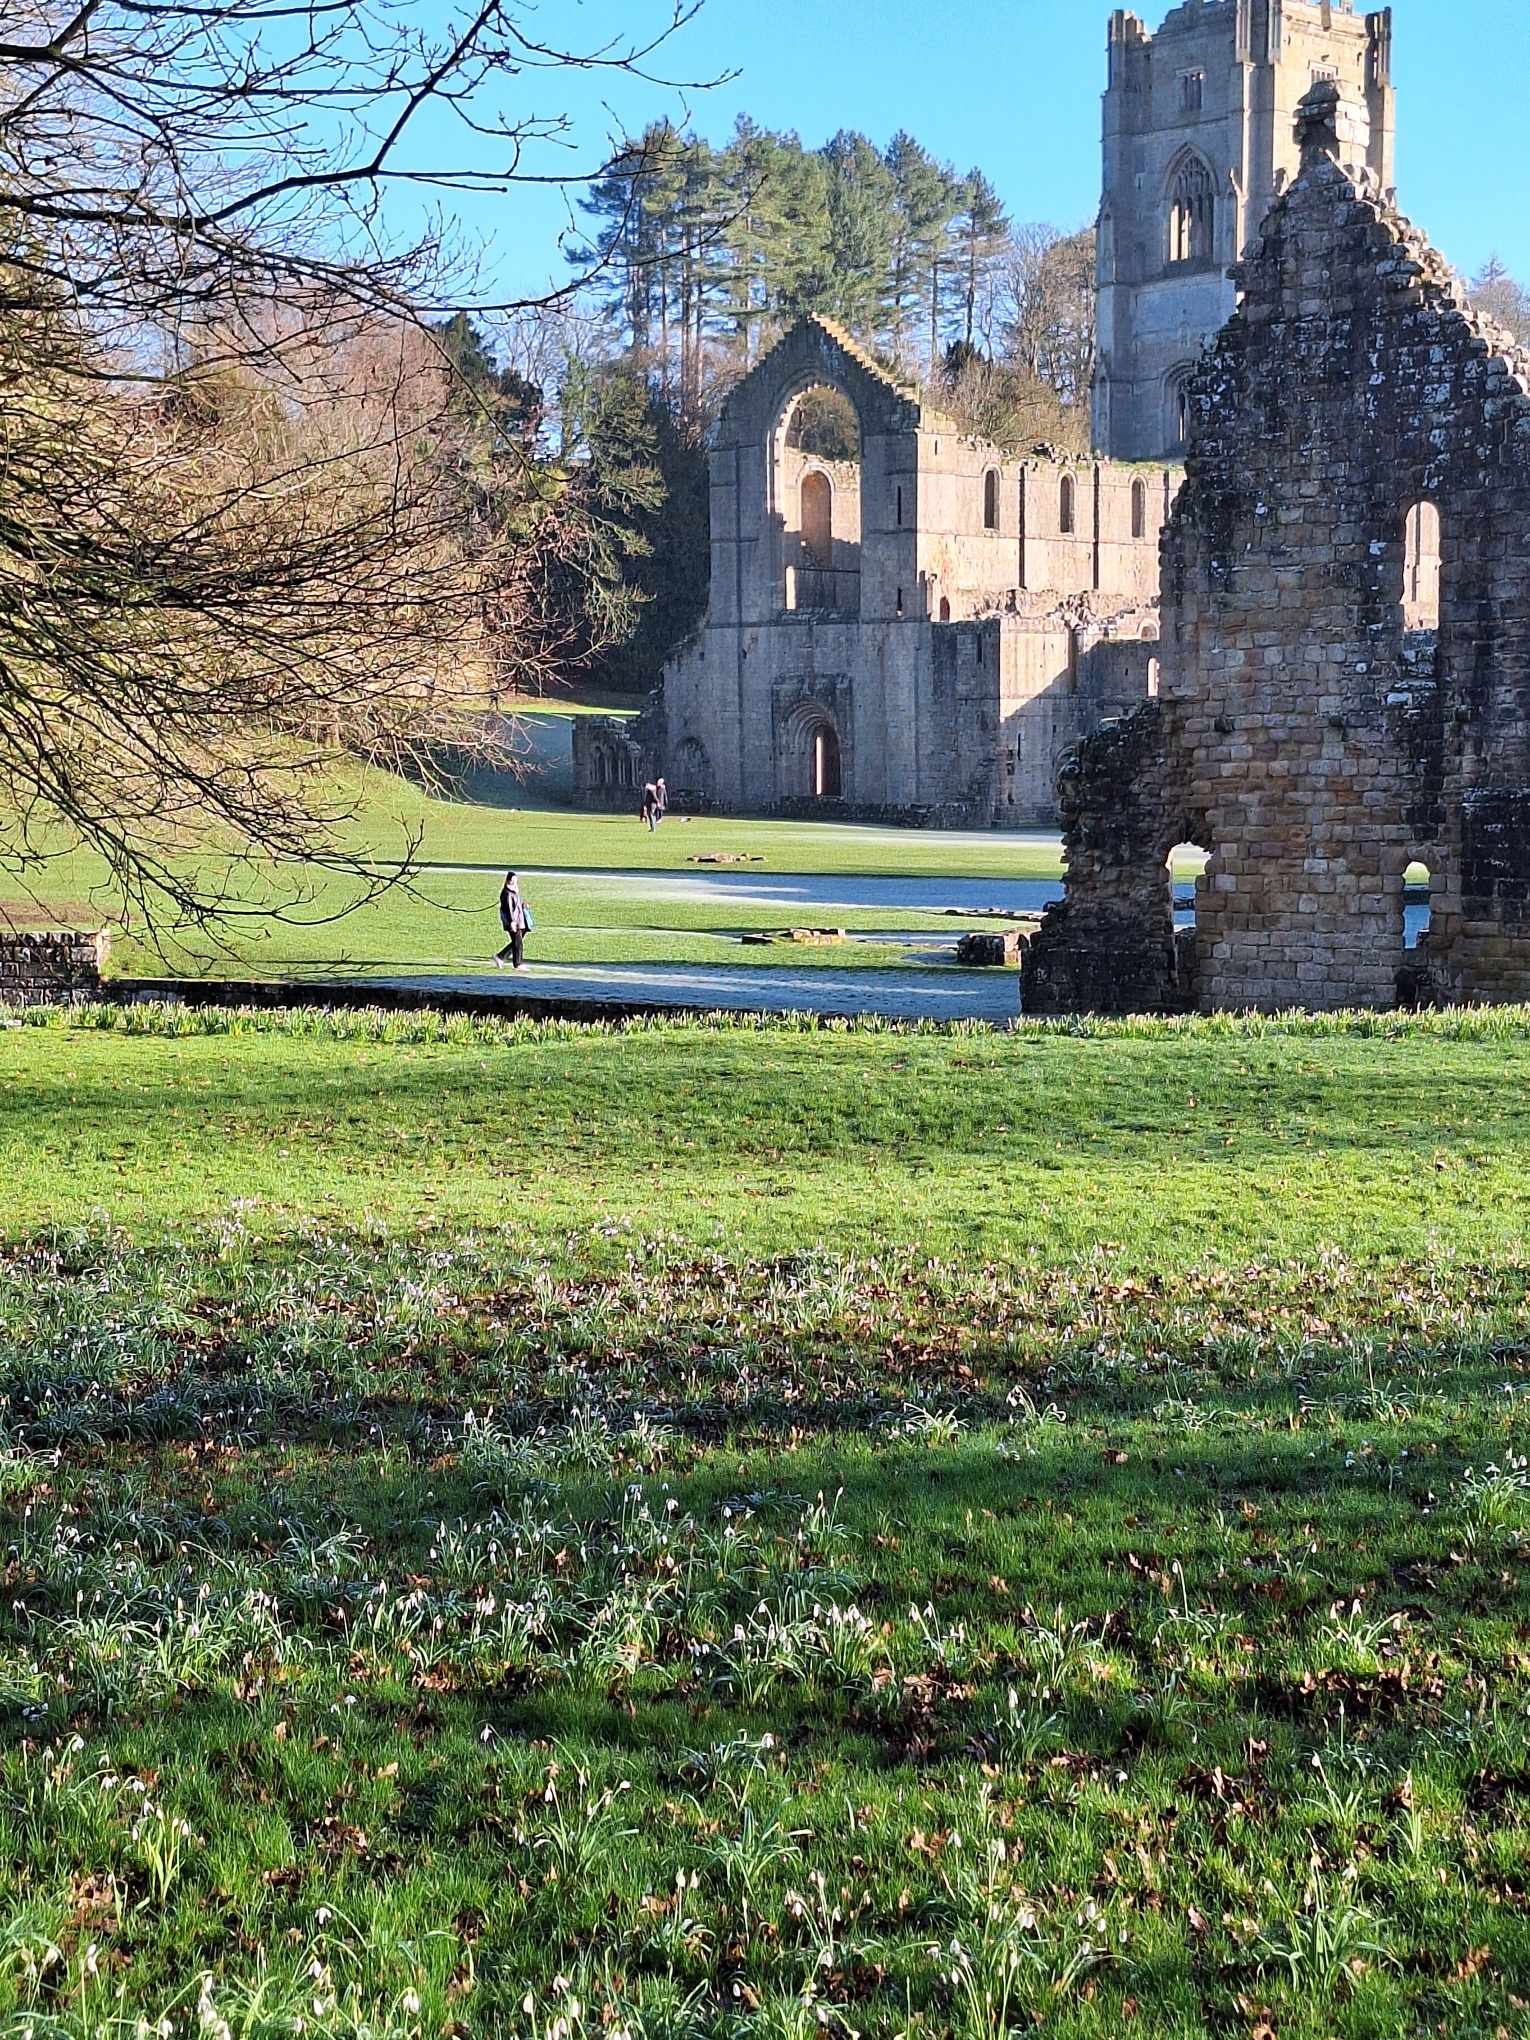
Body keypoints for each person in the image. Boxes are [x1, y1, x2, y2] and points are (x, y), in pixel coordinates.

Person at [493, 870, 532, 970]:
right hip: (513, 921)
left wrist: (523, 905)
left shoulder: (514, 891)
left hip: (520, 920)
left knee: (516, 941)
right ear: (507, 881)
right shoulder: (507, 893)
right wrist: (512, 922)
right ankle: (518, 964)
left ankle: (500, 957)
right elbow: (509, 909)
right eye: (512, 881)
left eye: (515, 881)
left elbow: (516, 904)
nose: (514, 883)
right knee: (518, 942)